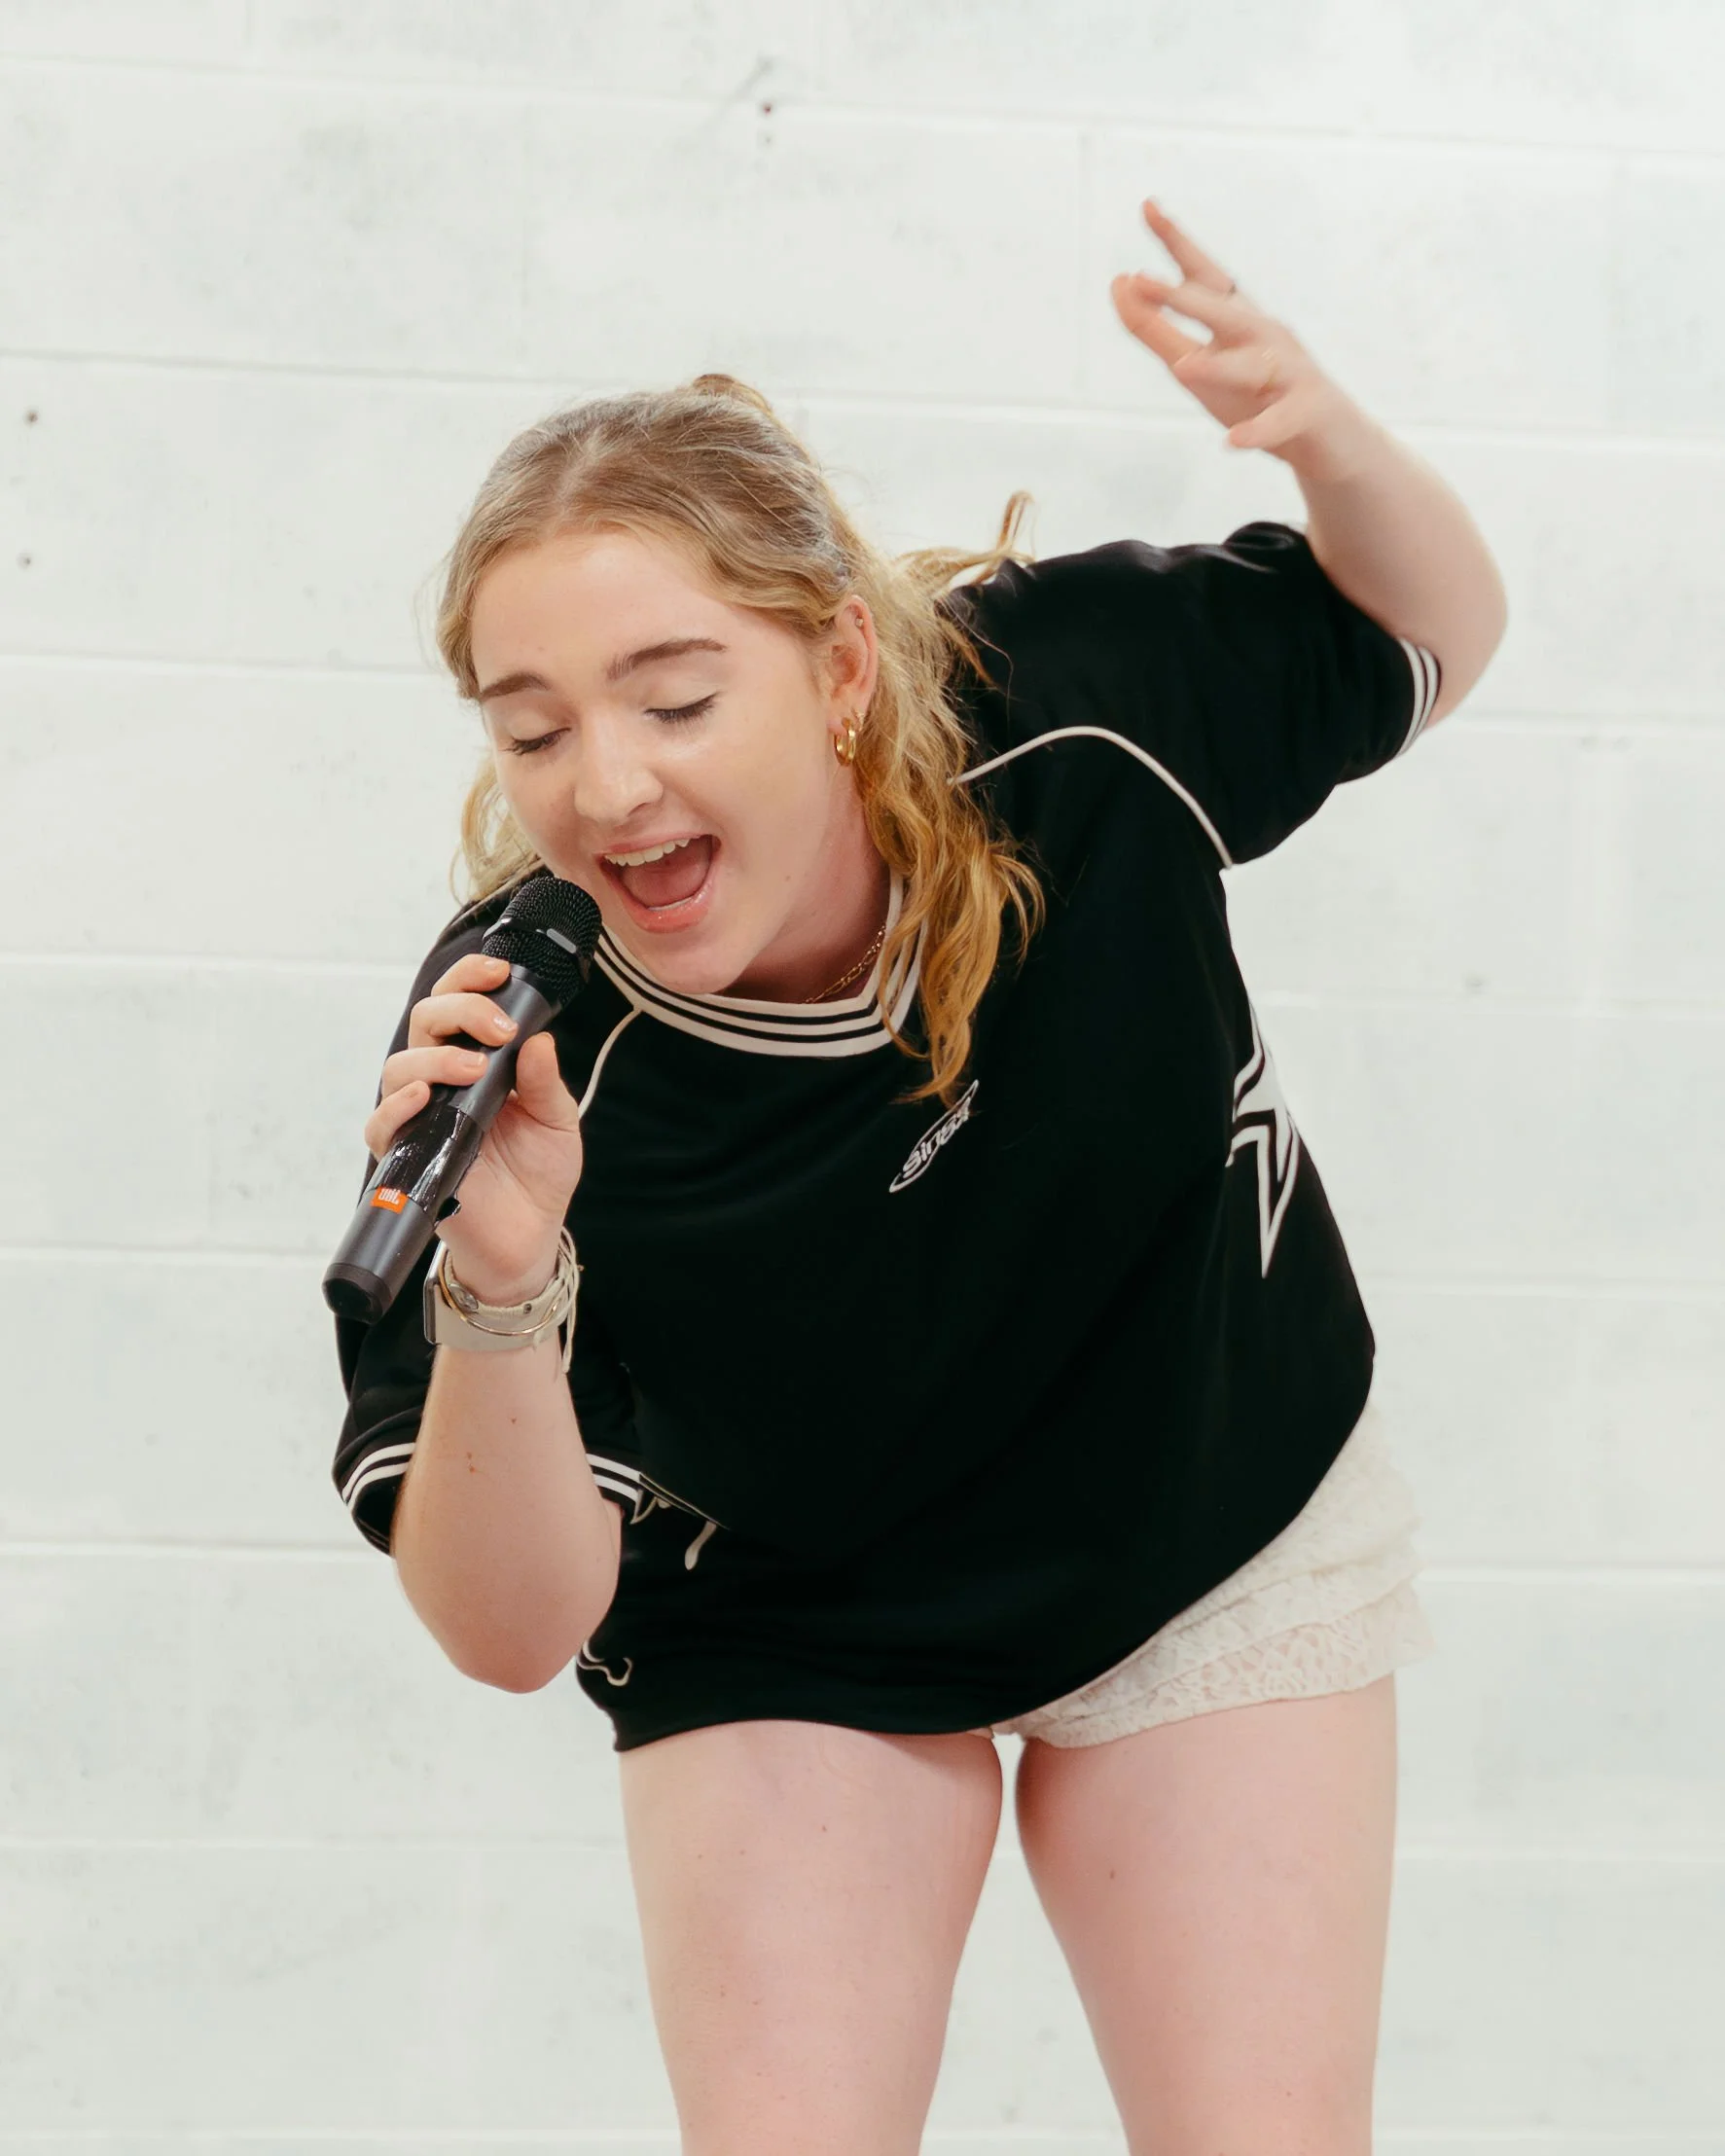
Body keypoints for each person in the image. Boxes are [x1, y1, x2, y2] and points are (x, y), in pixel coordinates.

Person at [330, 199, 1507, 2155]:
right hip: (798, 1604)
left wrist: (1327, 440)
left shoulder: (1071, 711)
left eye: (676, 694)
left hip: (1194, 1492)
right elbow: (511, 1625)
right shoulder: (518, 1044)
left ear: (848, 668)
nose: (606, 781)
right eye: (532, 727)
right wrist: (504, 1278)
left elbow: (1430, 640)